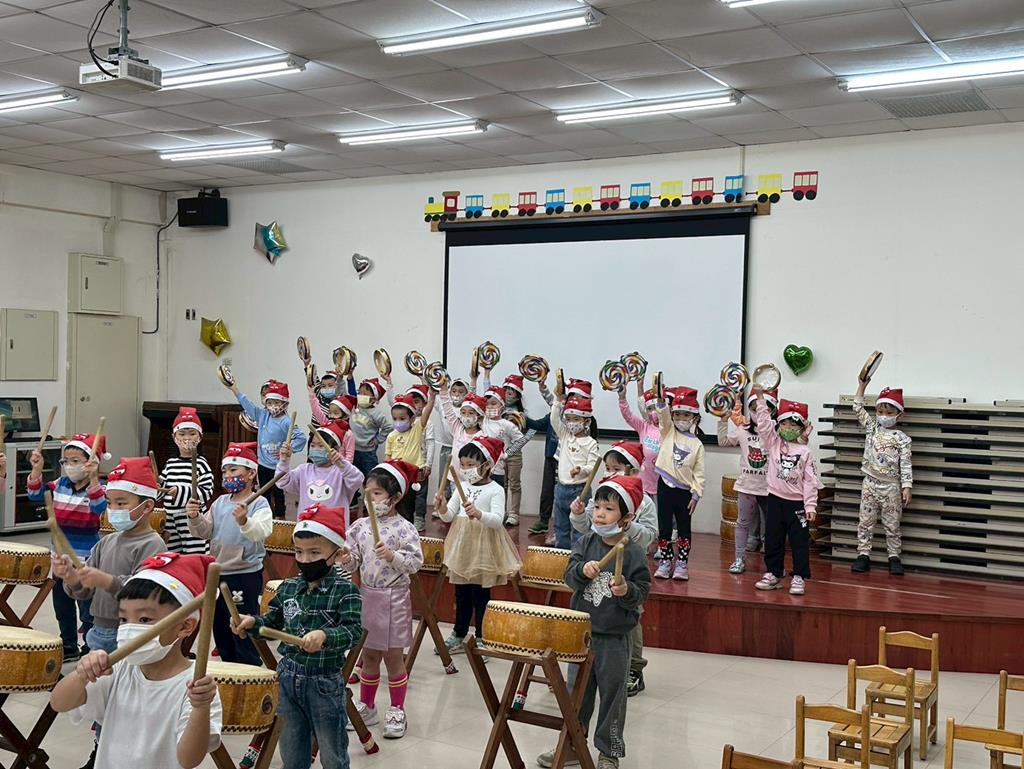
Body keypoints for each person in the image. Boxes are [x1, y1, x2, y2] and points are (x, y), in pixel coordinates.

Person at [49, 552, 223, 769]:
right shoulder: (118, 669)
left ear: (185, 626)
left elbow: (189, 759)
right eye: (123, 618)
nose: (130, 628)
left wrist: (200, 707)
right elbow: (59, 703)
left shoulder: (198, 686)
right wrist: (81, 674)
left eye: (144, 619)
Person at [232, 503, 362, 769]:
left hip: (324, 681)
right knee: (291, 752)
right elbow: (272, 622)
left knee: (332, 754)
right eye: (299, 552)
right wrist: (252, 623)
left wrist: (325, 635)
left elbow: (353, 631)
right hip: (287, 677)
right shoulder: (289, 587)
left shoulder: (346, 591)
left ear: (337, 555)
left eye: (314, 552)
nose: (305, 559)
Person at [537, 474, 650, 769]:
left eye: (608, 509)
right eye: (597, 506)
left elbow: (642, 592)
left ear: (626, 518)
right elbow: (569, 575)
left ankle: (609, 752)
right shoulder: (586, 542)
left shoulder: (633, 552)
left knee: (613, 697)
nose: (599, 513)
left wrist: (626, 591)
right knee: (576, 695)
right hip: (582, 634)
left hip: (615, 638)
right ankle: (572, 745)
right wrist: (580, 571)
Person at [342, 461, 422, 739]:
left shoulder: (405, 529)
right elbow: (353, 561)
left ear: (395, 497)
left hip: (395, 598)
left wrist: (393, 556)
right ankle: (368, 705)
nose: (370, 498)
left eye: (376, 493)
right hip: (368, 596)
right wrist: (345, 558)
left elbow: (415, 563)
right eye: (367, 493)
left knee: (393, 658)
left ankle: (397, 709)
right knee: (369, 655)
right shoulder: (359, 526)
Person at [569, 441, 656, 698]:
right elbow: (587, 527)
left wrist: (627, 526)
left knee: (630, 618)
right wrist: (578, 514)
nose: (609, 473)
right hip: (597, 561)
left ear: (633, 470)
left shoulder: (644, 502)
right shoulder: (603, 494)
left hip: (627, 564)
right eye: (607, 468)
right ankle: (590, 668)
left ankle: (633, 669)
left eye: (615, 468)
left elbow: (650, 535)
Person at [57, 457, 167, 655]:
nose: (113, 510)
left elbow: (143, 594)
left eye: (121, 503)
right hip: (98, 629)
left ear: (147, 506)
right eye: (109, 503)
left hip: (131, 633)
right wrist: (72, 578)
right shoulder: (106, 542)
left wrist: (106, 581)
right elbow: (84, 592)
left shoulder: (153, 544)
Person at [432, 437, 521, 654]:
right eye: (463, 465)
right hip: (462, 544)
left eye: (471, 464)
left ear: (487, 465)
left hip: (484, 545)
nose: (466, 469)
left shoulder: (496, 489)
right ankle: (459, 633)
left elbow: (498, 520)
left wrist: (479, 514)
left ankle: (482, 636)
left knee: (481, 594)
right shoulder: (461, 486)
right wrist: (442, 507)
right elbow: (449, 516)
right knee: (461, 592)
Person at [185, 442, 271, 665]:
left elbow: (262, 532)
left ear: (251, 473)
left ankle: (250, 670)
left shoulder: (259, 502)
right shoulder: (220, 502)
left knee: (242, 627)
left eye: (234, 469)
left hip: (244, 574)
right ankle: (229, 670)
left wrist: (245, 521)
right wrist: (194, 517)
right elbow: (204, 532)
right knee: (220, 626)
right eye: (225, 471)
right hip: (218, 572)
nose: (228, 475)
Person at [27, 432, 108, 661]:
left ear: (91, 463)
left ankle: (90, 646)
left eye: (75, 461)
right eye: (66, 461)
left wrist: (93, 478)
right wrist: (36, 469)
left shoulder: (99, 488)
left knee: (88, 608)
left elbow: (99, 507)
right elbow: (34, 494)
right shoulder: (59, 484)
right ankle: (69, 645)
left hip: (85, 561)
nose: (69, 466)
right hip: (60, 561)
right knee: (62, 607)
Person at [751, 388, 820, 596]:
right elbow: (764, 425)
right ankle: (773, 573)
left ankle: (799, 576)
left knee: (799, 542)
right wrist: (761, 399)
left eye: (793, 425)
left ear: (802, 428)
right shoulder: (773, 443)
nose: (788, 428)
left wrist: (810, 506)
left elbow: (810, 481)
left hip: (797, 504)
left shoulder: (805, 452)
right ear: (778, 424)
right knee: (773, 539)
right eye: (784, 423)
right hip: (775, 500)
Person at [851, 381, 913, 575]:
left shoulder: (902, 438)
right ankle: (863, 554)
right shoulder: (872, 427)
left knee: (892, 523)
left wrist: (907, 486)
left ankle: (894, 556)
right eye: (880, 412)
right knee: (865, 521)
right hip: (870, 483)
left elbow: (906, 463)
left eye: (889, 412)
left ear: (899, 414)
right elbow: (857, 407)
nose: (884, 416)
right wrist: (862, 386)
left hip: (891, 487)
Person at [222, 377, 305, 519]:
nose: (273, 406)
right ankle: (264, 515)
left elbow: (301, 438)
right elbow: (247, 405)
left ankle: (280, 518)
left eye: (277, 402)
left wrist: (289, 448)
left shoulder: (286, 421)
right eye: (270, 402)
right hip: (262, 464)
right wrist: (234, 389)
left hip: (278, 466)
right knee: (264, 492)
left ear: (284, 403)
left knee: (278, 493)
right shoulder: (262, 415)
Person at [717, 391, 778, 573]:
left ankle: (773, 563)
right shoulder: (743, 430)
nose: (758, 412)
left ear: (772, 411)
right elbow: (723, 442)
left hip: (770, 488)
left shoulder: (775, 432)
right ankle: (739, 559)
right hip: (747, 486)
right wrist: (722, 421)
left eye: (763, 409)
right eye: (753, 408)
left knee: (773, 526)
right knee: (742, 523)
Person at [653, 387, 705, 581]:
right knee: (664, 528)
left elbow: (699, 473)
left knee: (684, 529)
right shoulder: (668, 431)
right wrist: (661, 402)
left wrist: (696, 494)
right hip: (664, 487)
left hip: (684, 493)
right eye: (678, 414)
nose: (682, 418)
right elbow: (663, 416)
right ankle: (665, 561)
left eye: (686, 415)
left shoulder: (697, 444)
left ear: (694, 417)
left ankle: (682, 564)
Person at [276, 420, 364, 515]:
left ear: (335, 449)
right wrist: (284, 461)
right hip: (307, 523)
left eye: (321, 446)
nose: (315, 449)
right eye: (312, 445)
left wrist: (343, 464)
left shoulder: (341, 473)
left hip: (334, 524)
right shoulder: (304, 470)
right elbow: (282, 482)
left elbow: (358, 480)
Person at [160, 407, 215, 555]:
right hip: (170, 519)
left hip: (192, 518)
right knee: (171, 554)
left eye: (192, 433)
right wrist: (158, 485)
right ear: (174, 437)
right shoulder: (170, 463)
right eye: (182, 434)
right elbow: (161, 488)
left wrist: (180, 492)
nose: (187, 438)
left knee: (194, 554)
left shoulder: (201, 464)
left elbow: (206, 491)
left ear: (200, 437)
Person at [550, 394, 601, 550]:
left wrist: (581, 469)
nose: (571, 423)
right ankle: (562, 554)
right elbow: (554, 419)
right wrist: (558, 401)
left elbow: (593, 466)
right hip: (561, 488)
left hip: (580, 490)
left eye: (576, 419)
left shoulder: (591, 443)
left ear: (587, 422)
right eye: (569, 419)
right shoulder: (565, 436)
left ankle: (578, 556)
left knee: (579, 529)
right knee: (560, 526)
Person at [616, 381, 662, 548]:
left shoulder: (669, 429)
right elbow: (628, 415)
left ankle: (661, 545)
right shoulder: (644, 427)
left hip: (661, 483)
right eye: (649, 409)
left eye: (656, 408)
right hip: (643, 482)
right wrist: (622, 398)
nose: (652, 412)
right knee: (642, 515)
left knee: (661, 517)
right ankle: (643, 545)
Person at [384, 388, 435, 525]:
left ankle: (415, 522)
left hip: (416, 472)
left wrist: (432, 398)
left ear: (412, 419)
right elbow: (387, 458)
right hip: (399, 475)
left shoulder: (416, 430)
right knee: (401, 503)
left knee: (415, 501)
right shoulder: (391, 436)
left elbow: (427, 413)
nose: (398, 422)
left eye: (402, 418)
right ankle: (400, 525)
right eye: (395, 418)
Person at [405, 384, 436, 533]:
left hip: (420, 465)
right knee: (407, 493)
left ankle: (419, 518)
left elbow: (430, 443)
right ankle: (407, 517)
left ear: (424, 403)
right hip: (406, 466)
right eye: (411, 402)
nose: (414, 405)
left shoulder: (427, 423)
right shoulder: (405, 422)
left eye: (417, 401)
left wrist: (428, 464)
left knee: (420, 494)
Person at [351, 377, 393, 481]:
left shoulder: (377, 414)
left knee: (370, 478)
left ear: (374, 399)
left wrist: (377, 440)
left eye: (365, 394)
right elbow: (344, 391)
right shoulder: (355, 407)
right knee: (353, 478)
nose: (361, 396)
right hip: (352, 450)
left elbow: (388, 427)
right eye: (360, 393)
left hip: (368, 453)